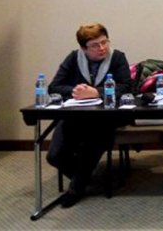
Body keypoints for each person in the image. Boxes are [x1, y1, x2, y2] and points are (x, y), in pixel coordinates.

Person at [47, 23, 132, 208]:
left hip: (105, 119)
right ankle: (86, 179)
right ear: (84, 48)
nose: (102, 48)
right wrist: (75, 91)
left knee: (92, 144)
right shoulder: (73, 58)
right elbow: (54, 87)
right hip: (75, 117)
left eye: (104, 42)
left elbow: (127, 87)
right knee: (54, 155)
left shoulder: (117, 57)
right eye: (95, 45)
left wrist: (96, 92)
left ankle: (76, 188)